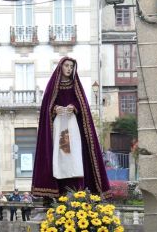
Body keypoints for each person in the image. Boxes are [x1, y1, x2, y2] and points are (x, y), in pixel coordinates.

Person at [31, 57, 110, 198]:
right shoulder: (52, 87)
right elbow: (46, 107)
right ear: (61, 67)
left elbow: (83, 106)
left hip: (72, 125)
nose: (69, 69)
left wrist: (74, 107)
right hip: (60, 126)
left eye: (71, 66)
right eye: (66, 65)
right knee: (61, 154)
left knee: (74, 155)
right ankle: (60, 188)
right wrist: (55, 108)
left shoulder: (75, 86)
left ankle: (76, 187)